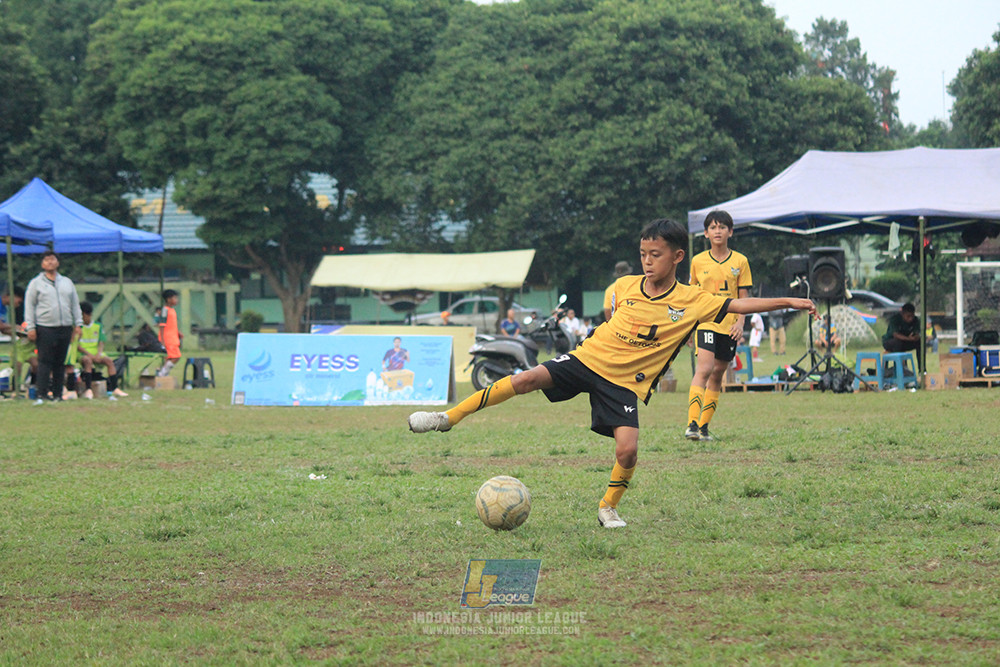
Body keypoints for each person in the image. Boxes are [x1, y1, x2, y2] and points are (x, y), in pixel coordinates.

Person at [407, 218, 816, 529]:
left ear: (677, 257)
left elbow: (740, 306)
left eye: (656, 255)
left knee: (627, 451)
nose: (647, 261)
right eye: (643, 254)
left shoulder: (693, 299)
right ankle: (447, 418)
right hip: (588, 359)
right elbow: (613, 318)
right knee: (525, 379)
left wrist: (791, 302)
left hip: (623, 383)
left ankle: (608, 507)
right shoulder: (625, 286)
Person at [686, 210, 753, 442]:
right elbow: (691, 296)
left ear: (730, 232)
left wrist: (741, 323)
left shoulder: (740, 261)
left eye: (722, 227)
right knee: (704, 369)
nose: (717, 231)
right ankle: (692, 424)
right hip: (706, 323)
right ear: (705, 233)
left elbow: (743, 298)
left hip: (729, 326)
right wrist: (689, 326)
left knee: (717, 374)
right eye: (713, 227)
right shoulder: (697, 261)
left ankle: (704, 428)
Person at [24, 251, 82, 404]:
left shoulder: (67, 282)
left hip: (65, 326)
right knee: (44, 361)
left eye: (52, 259)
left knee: (60, 362)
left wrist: (78, 323)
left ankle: (57, 394)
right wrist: (30, 327)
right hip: (45, 327)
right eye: (47, 260)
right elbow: (29, 306)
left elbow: (75, 304)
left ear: (58, 262)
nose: (50, 262)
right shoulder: (36, 283)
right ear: (42, 264)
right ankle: (42, 394)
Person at [76, 301, 128, 399]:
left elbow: (101, 342)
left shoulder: (97, 326)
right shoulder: (78, 328)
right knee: (87, 361)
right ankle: (88, 389)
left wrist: (99, 354)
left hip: (96, 353)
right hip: (83, 353)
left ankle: (115, 388)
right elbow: (77, 345)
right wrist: (90, 355)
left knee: (109, 361)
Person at [156, 289, 182, 377]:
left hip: (173, 338)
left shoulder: (172, 310)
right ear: (168, 299)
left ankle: (162, 374)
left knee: (170, 358)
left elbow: (171, 324)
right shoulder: (165, 310)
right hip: (168, 339)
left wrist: (178, 332)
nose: (176, 300)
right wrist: (162, 340)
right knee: (176, 357)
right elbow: (162, 326)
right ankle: (162, 374)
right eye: (175, 298)